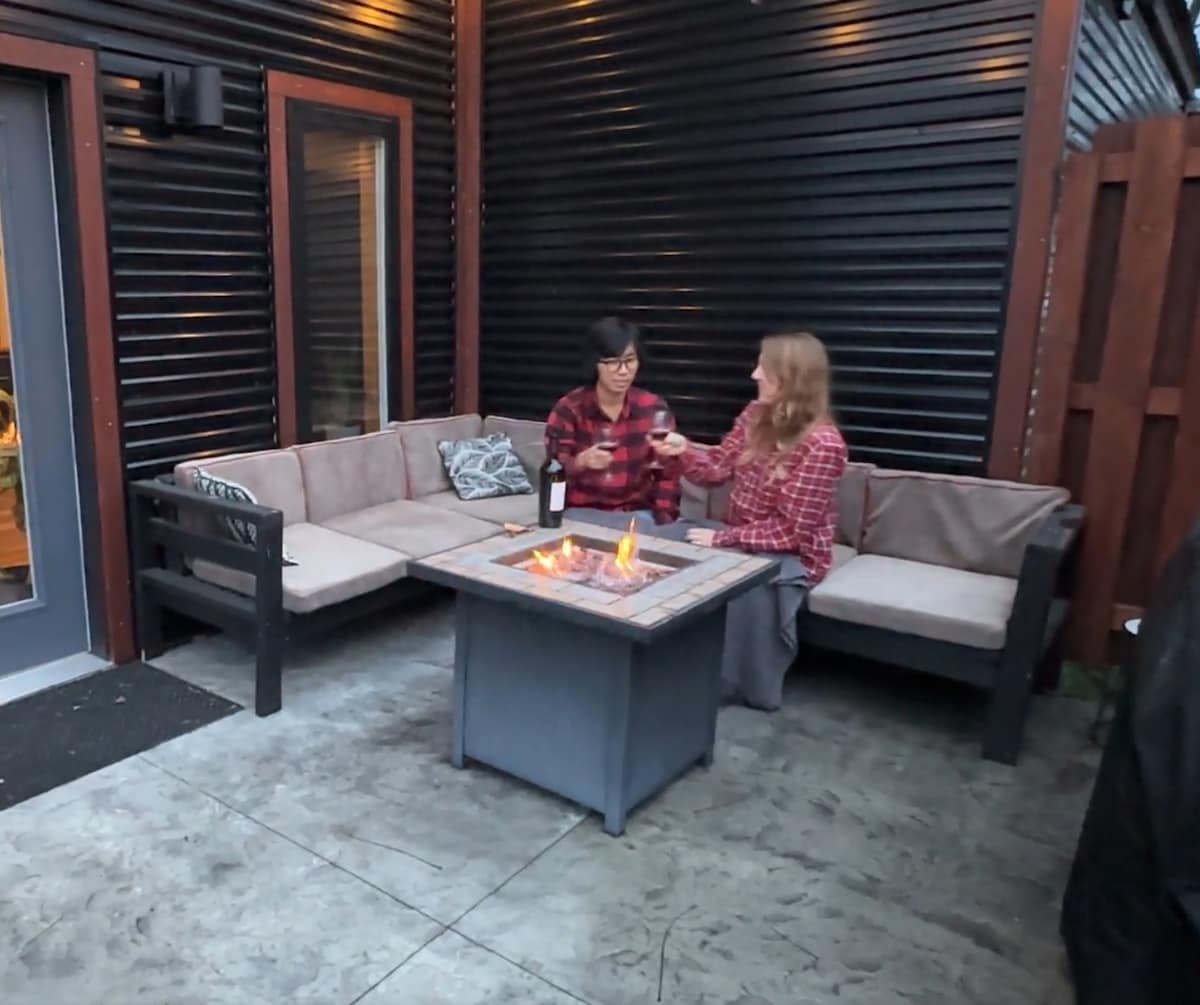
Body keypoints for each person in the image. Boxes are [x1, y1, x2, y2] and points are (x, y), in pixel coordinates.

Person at [651, 331, 847, 709]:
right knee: (667, 542)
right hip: (740, 535)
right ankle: (665, 658)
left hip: (792, 555)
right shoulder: (755, 415)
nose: (754, 374)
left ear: (789, 379)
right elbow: (715, 469)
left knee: (740, 583)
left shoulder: (823, 445)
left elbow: (791, 532)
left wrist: (723, 540)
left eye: (763, 368)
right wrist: (682, 449)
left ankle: (727, 686)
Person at [544, 317, 681, 528]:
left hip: (637, 514)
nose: (623, 371)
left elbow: (668, 474)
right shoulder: (569, 409)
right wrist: (580, 462)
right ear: (595, 364)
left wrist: (664, 523)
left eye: (629, 361)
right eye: (613, 362)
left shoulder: (653, 408)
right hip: (584, 514)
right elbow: (552, 472)